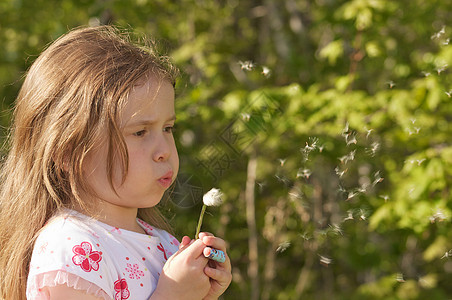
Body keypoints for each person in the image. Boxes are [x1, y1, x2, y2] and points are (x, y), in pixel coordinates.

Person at [0, 25, 232, 300]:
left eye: (168, 128)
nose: (164, 150)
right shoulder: (71, 249)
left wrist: (202, 293)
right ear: (68, 151)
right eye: (140, 132)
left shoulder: (164, 245)